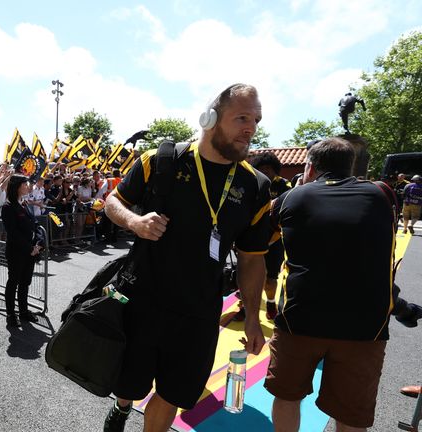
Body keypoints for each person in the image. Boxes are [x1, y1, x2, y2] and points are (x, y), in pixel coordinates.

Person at [102, 83, 270, 431]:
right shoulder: (160, 160)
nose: (251, 128)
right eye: (241, 117)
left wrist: (252, 317)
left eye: (256, 119)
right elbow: (112, 202)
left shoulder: (256, 187)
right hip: (142, 302)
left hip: (199, 313)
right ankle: (121, 407)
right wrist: (134, 221)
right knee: (129, 385)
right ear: (210, 118)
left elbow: (253, 259)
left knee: (172, 395)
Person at [264, 137, 396, 431]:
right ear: (351, 168)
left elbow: (260, 240)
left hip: (300, 319)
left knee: (287, 396)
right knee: (350, 414)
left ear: (309, 167)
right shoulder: (383, 194)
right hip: (366, 326)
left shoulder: (291, 199)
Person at [234, 152, 291, 321]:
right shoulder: (252, 182)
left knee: (270, 279)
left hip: (274, 239)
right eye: (262, 168)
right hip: (251, 237)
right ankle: (245, 307)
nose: (266, 172)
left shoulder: (284, 186)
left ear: (276, 169)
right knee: (247, 275)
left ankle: (271, 302)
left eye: (269, 168)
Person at [0, 175, 43, 327]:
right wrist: (30, 248)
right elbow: (13, 233)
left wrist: (38, 243)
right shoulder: (7, 207)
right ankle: (11, 314)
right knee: (13, 282)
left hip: (30, 251)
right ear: (16, 186)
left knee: (25, 282)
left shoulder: (24, 204)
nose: (27, 186)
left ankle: (24, 311)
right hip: (16, 252)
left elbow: (35, 225)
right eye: (25, 184)